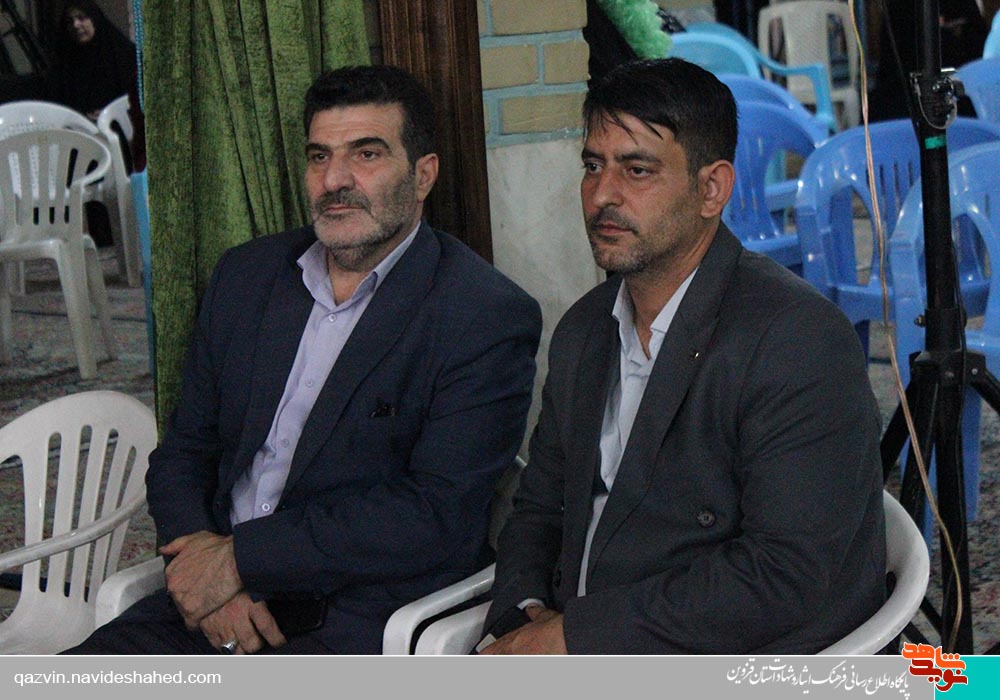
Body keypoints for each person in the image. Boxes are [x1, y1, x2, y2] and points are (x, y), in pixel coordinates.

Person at [65, 64, 542, 655]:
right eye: (320, 157)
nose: (335, 180)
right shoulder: (246, 276)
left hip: (345, 620)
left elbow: (433, 513)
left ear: (423, 175)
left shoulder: (483, 315)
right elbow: (186, 449)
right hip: (203, 607)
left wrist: (241, 561)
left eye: (366, 154)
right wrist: (200, 568)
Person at [479, 58, 886, 655]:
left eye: (637, 170)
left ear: (711, 189)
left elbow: (783, 575)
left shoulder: (797, 339)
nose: (602, 195)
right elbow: (539, 508)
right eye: (593, 166)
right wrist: (523, 612)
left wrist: (574, 637)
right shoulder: (586, 330)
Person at [46, 1, 137, 120]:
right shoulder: (65, 62)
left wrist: (110, 113)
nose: (76, 25)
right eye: (70, 21)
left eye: (81, 18)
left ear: (94, 19)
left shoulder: (123, 54)